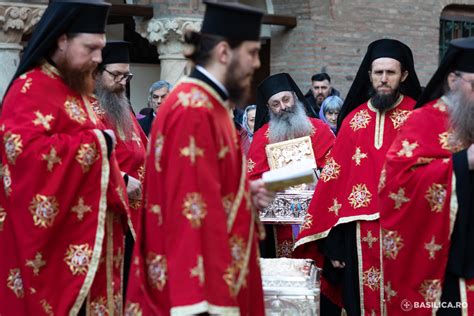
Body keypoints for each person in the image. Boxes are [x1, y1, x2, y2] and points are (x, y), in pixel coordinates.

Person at [124, 2, 274, 315]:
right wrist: (200, 305)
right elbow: (188, 212)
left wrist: (244, 193)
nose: (256, 64)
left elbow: (208, 190)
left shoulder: (210, 104)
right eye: (252, 52)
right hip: (195, 296)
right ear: (224, 52)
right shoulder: (194, 110)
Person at [0, 1, 130, 314]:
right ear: (62, 40)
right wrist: (97, 144)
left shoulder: (77, 89)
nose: (98, 59)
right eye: (91, 48)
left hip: (94, 246)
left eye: (100, 49)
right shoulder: (28, 89)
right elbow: (24, 157)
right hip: (56, 253)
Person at [294, 39, 422, 315]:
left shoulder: (418, 117)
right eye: (379, 73)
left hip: (408, 232)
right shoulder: (353, 121)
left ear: (404, 76)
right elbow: (334, 184)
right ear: (369, 75)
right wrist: (335, 244)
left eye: (391, 73)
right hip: (358, 237)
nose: (384, 79)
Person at [379, 37, 474, 315]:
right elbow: (396, 185)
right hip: (447, 265)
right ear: (453, 80)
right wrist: (462, 162)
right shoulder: (423, 120)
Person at [248, 72, 335, 258]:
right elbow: (252, 178)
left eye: (286, 100)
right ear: (268, 108)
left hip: (317, 220)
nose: (283, 107)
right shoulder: (262, 137)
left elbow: (335, 170)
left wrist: (315, 176)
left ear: (294, 97)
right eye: (275, 104)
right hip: (277, 227)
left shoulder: (320, 130)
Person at [93, 40, 148, 296]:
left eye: (127, 75)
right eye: (115, 75)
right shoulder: (89, 112)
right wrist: (123, 179)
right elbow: (86, 159)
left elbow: (146, 152)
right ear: (96, 72)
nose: (123, 82)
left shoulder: (124, 110)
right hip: (108, 216)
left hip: (136, 215)